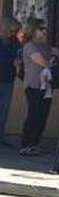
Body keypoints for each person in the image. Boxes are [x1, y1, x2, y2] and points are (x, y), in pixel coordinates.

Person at [18, 19, 53, 156]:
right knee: (34, 114)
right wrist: (50, 61)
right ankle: (26, 144)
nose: (44, 31)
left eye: (45, 28)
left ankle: (35, 143)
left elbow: (54, 58)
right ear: (33, 30)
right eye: (41, 28)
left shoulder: (45, 46)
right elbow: (42, 61)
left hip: (47, 85)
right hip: (33, 85)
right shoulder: (30, 46)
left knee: (43, 115)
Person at [0, 17, 21, 147]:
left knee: (4, 109)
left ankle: (0, 137)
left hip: (8, 79)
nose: (15, 33)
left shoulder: (15, 43)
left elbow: (18, 56)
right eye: (13, 30)